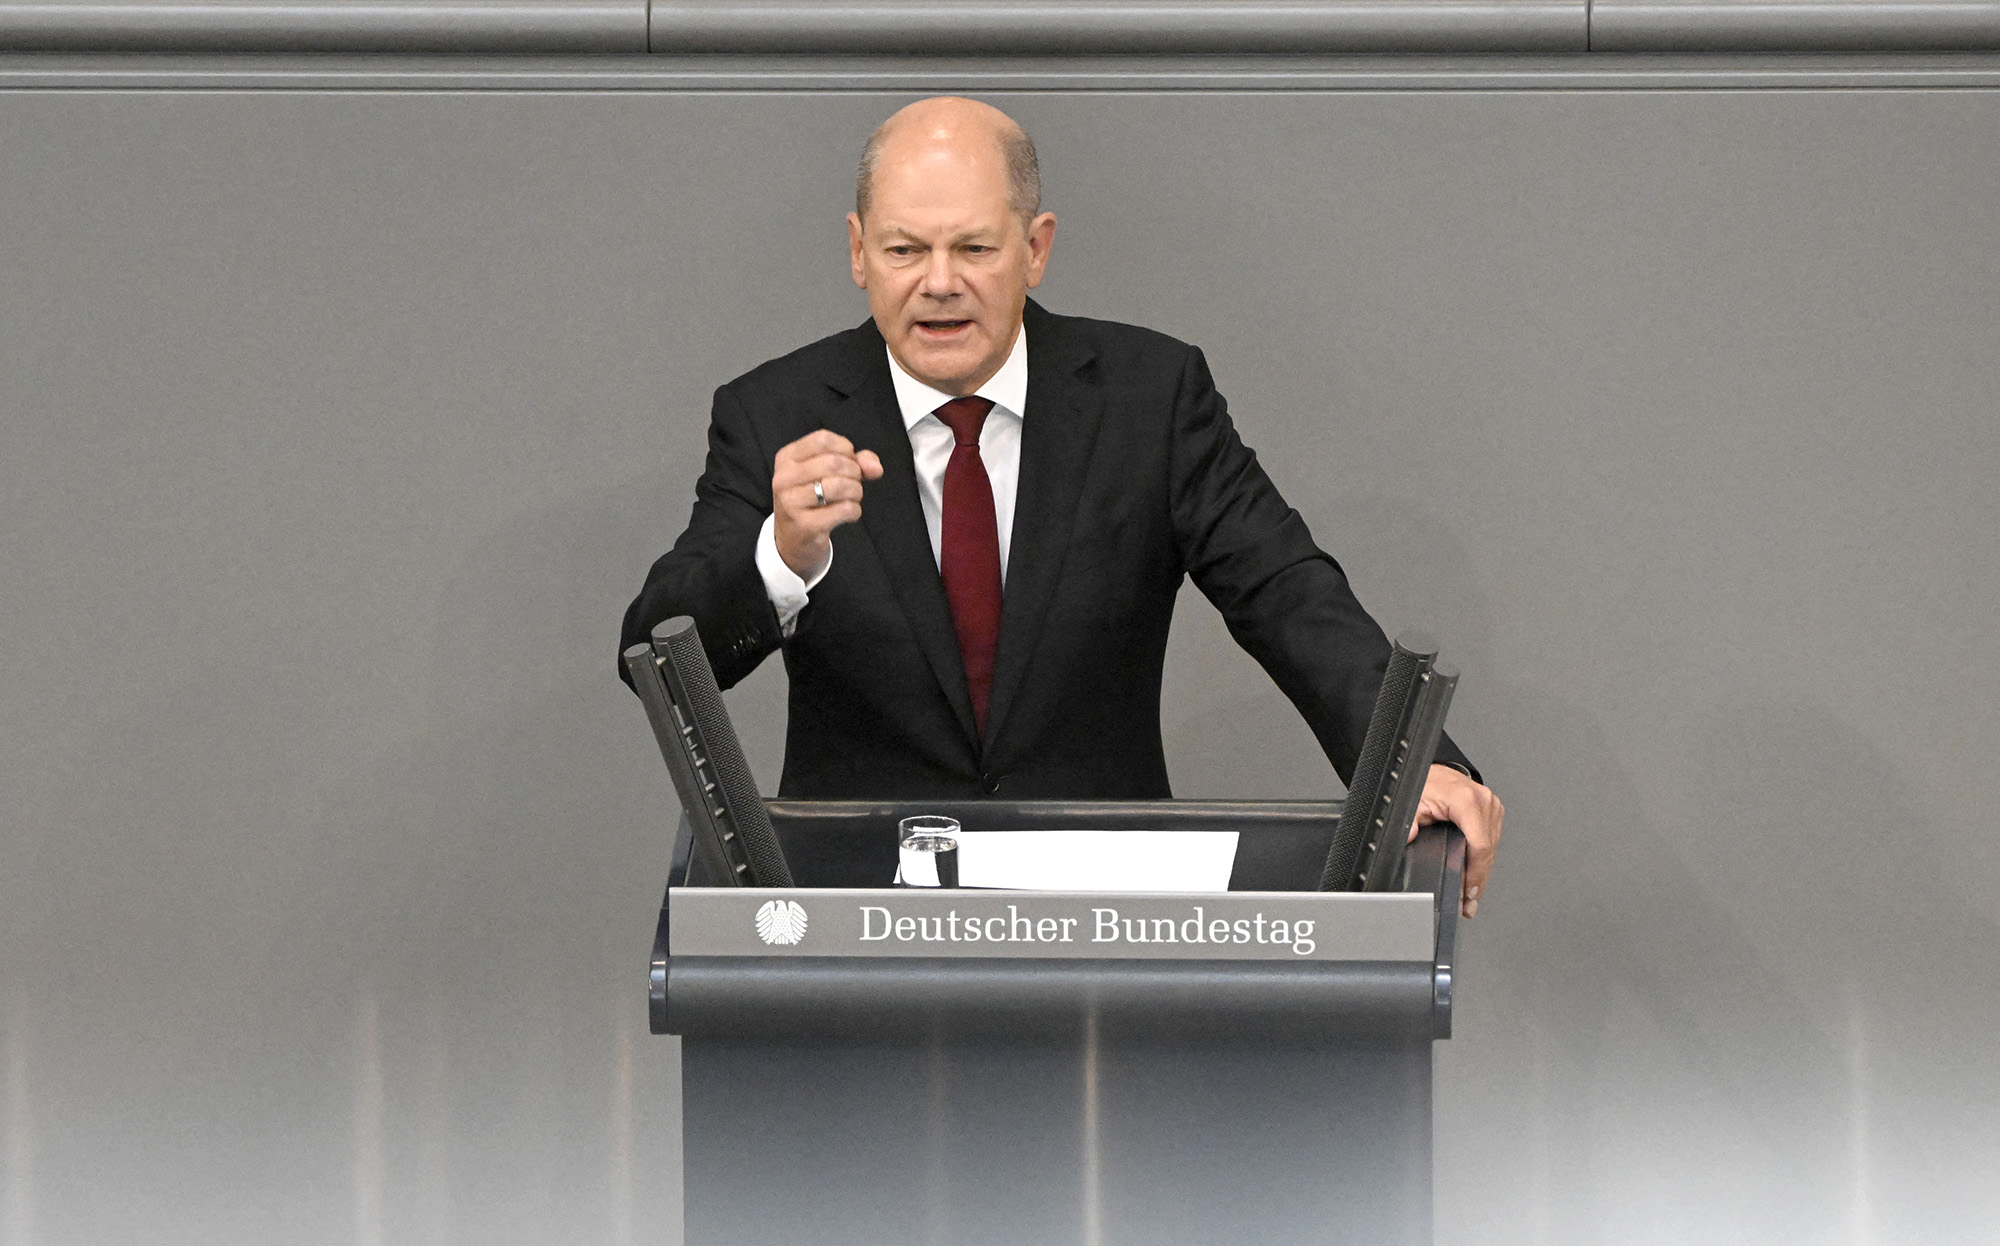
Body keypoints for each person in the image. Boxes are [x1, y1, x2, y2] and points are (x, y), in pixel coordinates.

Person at [621, 97, 1502, 916]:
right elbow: (652, 651)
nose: (938, 282)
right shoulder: (773, 414)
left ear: (1035, 247)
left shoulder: (1148, 400)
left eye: (973, 248)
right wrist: (781, 557)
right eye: (903, 250)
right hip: (857, 918)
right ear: (857, 251)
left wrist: (1409, 765)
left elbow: (1287, 592)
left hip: (1104, 920)